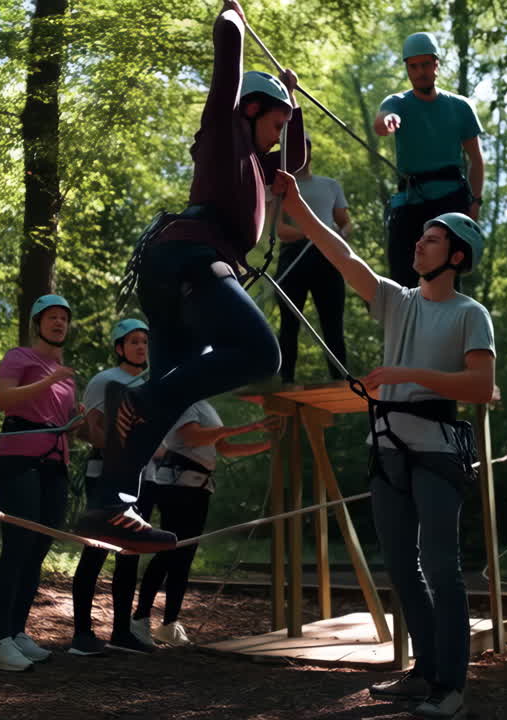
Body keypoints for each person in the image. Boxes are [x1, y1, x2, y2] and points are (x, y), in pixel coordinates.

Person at [75, 0, 307, 553]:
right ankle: (137, 403)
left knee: (166, 394)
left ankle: (111, 503)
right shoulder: (226, 133)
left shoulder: (258, 162)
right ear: (251, 109)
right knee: (262, 354)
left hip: (175, 272)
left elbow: (294, 165)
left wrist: (293, 103)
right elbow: (227, 68)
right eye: (275, 123)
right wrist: (232, 19)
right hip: (191, 260)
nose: (279, 136)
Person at [272, 169, 494, 719]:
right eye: (421, 237)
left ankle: (451, 686)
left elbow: (480, 387)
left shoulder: (470, 314)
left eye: (432, 239)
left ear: (457, 256)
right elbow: (342, 255)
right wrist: (297, 204)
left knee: (441, 568)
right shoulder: (396, 300)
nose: (419, 243)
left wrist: (406, 373)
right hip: (388, 450)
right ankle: (423, 674)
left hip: (438, 452)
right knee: (401, 567)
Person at [0, 295, 81, 672]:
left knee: (38, 548)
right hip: (18, 459)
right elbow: (2, 399)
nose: (59, 323)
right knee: (18, 545)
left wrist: (77, 422)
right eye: (51, 317)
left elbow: (59, 421)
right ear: (37, 324)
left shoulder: (65, 375)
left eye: (64, 318)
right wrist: (48, 380)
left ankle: (17, 631)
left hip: (55, 464)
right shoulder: (19, 357)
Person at [131, 401, 277, 647]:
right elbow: (192, 436)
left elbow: (225, 448)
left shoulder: (207, 408)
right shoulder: (186, 402)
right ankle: (139, 619)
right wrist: (250, 427)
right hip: (178, 485)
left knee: (184, 555)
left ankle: (169, 624)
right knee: (169, 551)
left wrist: (268, 444)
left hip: (198, 487)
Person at [69, 319, 160, 656]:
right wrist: (117, 446)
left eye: (145, 342)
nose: (141, 347)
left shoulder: (152, 384)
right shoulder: (105, 380)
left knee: (131, 551)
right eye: (133, 341)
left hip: (139, 476)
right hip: (104, 475)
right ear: (120, 347)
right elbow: (88, 429)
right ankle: (81, 633)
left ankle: (121, 631)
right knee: (95, 549)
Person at [375, 31, 485, 289]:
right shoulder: (397, 103)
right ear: (407, 69)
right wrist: (388, 121)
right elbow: (381, 122)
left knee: (446, 279)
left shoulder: (460, 106)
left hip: (451, 201)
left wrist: (475, 202)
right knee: (402, 278)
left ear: (436, 64)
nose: (420, 72)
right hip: (410, 201)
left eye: (425, 64)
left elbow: (476, 160)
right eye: (413, 66)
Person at [272, 136, 351, 384]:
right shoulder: (280, 188)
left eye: (303, 150)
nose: (300, 155)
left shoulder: (330, 185)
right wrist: (312, 233)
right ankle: (286, 381)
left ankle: (341, 380)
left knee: (333, 323)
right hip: (293, 258)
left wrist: (339, 235)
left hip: (328, 257)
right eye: (294, 150)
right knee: (289, 323)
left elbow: (345, 223)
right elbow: (280, 230)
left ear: (310, 153)